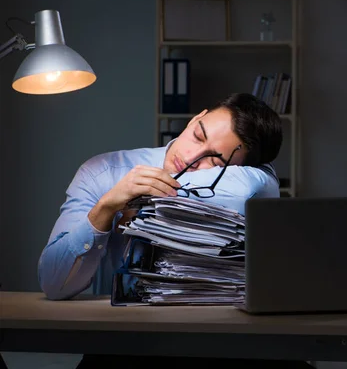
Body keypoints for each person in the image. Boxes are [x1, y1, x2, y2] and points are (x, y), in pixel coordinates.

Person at [38, 93, 313, 368]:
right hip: (126, 342)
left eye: (215, 162)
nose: (192, 158)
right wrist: (106, 208)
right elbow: (54, 284)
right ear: (196, 118)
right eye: (198, 135)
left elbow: (253, 188)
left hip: (219, 338)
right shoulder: (103, 172)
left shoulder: (255, 181)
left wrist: (148, 204)